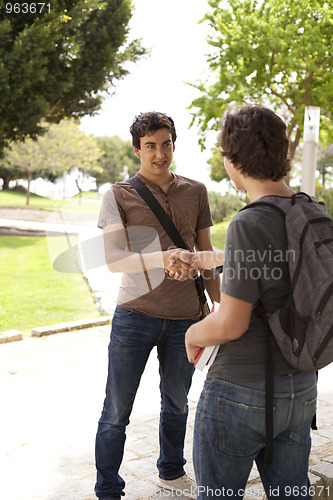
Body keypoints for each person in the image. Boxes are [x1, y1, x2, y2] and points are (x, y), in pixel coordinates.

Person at [182, 105, 317, 499]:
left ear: (234, 159)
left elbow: (230, 324)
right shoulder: (311, 210)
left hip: (242, 392)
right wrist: (209, 259)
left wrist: (193, 333)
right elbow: (277, 265)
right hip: (300, 388)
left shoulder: (249, 221)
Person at [94, 111, 221, 500]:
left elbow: (205, 253)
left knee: (178, 404)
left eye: (166, 144)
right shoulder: (118, 194)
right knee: (116, 411)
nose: (160, 153)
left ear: (173, 145)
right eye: (150, 145)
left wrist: (220, 304)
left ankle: (170, 469)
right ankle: (108, 489)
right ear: (137, 150)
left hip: (186, 318)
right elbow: (115, 258)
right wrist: (164, 257)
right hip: (134, 316)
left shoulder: (196, 191)